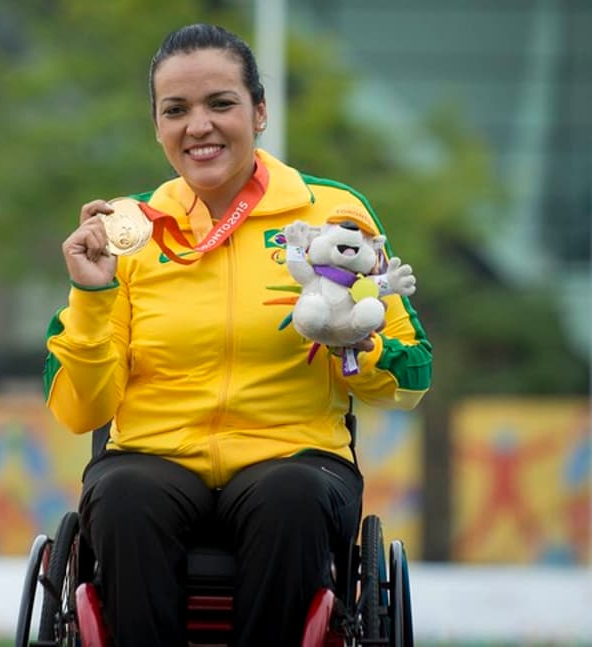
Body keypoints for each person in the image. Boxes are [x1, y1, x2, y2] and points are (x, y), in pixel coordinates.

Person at [43, 23, 432, 646]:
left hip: (295, 459)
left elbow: (413, 377)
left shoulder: (332, 214)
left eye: (220, 103)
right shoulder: (126, 229)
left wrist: (357, 346)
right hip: (153, 457)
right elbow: (79, 410)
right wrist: (92, 296)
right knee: (124, 495)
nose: (198, 126)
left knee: (290, 495)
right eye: (176, 110)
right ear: (157, 126)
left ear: (259, 112)